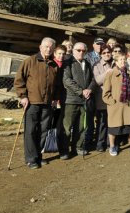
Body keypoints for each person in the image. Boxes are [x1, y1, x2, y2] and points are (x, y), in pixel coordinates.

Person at [14, 37, 60, 169]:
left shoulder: (54, 65)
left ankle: (39, 156)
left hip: (47, 103)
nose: (48, 49)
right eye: (46, 47)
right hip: (32, 102)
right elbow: (19, 80)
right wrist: (22, 96)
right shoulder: (30, 61)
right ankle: (31, 159)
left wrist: (55, 98)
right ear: (40, 47)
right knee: (31, 131)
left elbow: (56, 84)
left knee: (44, 131)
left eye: (51, 48)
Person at [62, 42, 97, 156]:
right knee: (67, 127)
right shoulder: (67, 63)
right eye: (78, 50)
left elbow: (93, 79)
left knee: (81, 126)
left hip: (84, 100)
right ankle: (64, 150)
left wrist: (89, 89)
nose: (81, 52)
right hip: (71, 100)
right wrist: (80, 91)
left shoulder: (87, 63)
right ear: (73, 51)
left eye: (83, 50)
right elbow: (67, 80)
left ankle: (78, 147)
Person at [102, 52, 130, 156]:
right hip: (116, 106)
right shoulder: (110, 74)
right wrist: (112, 103)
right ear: (116, 62)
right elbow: (105, 93)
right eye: (120, 60)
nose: (123, 62)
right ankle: (112, 146)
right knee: (114, 128)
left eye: (124, 59)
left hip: (129, 105)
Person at [92, 44, 114, 152]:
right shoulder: (97, 65)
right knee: (102, 122)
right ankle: (100, 143)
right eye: (104, 53)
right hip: (101, 98)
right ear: (101, 54)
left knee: (112, 122)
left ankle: (111, 143)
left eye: (108, 52)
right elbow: (97, 80)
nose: (106, 54)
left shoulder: (115, 63)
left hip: (114, 98)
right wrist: (107, 72)